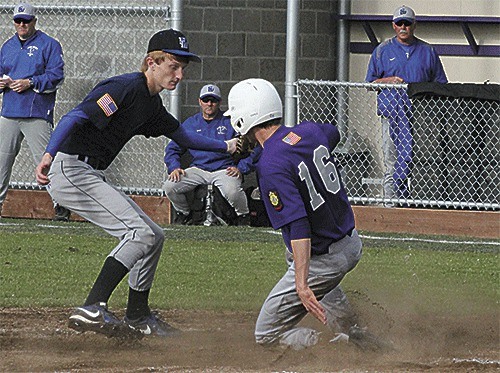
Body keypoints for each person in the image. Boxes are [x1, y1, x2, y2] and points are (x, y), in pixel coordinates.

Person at [35, 29, 238, 338]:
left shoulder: (152, 106)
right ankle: (92, 306)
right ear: (150, 62)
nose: (180, 74)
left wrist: (227, 147)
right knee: (138, 232)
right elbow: (73, 117)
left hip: (87, 173)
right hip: (70, 169)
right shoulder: (125, 88)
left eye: (183, 67)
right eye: (173, 65)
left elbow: (183, 137)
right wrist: (49, 153)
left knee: (153, 236)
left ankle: (138, 315)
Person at [224, 78, 388, 351]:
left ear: (244, 118)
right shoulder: (308, 132)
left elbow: (298, 226)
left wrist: (301, 284)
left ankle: (335, 347)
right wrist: (301, 151)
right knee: (303, 264)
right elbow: (332, 133)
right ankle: (353, 328)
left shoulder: (271, 164)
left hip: (324, 257)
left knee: (265, 335)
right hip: (351, 243)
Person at [365, 5, 447, 206]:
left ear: (414, 25)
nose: (403, 27)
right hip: (392, 114)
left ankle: (418, 204)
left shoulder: (427, 51)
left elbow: (441, 84)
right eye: (399, 23)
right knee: (392, 160)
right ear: (393, 25)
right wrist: (389, 80)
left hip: (421, 118)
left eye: (407, 23)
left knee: (419, 161)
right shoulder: (382, 51)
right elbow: (369, 83)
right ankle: (391, 205)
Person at [0, 2, 71, 221]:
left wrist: (30, 82)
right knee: (2, 159)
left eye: (26, 21)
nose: (22, 25)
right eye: (18, 21)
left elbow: (57, 76)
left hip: (36, 112)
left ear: (34, 22)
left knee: (46, 159)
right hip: (9, 111)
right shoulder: (7, 46)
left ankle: (61, 204)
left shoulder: (49, 44)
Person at [163, 83, 260, 226]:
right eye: (205, 100)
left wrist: (241, 168)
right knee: (170, 186)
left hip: (224, 168)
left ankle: (243, 216)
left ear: (220, 102)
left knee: (233, 191)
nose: (209, 104)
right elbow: (172, 149)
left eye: (213, 100)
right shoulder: (191, 123)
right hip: (198, 168)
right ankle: (183, 213)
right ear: (199, 102)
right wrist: (174, 167)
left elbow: (256, 148)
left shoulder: (230, 122)